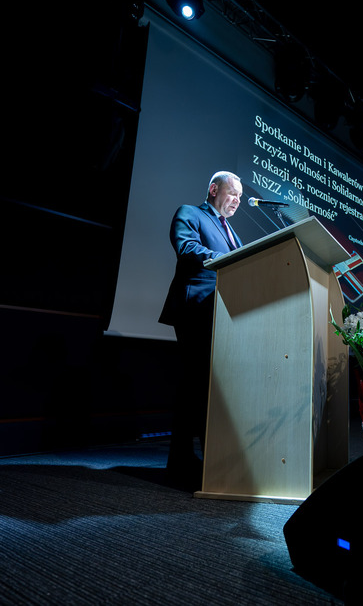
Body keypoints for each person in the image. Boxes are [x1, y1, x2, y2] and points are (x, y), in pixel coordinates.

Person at [158, 171, 243, 488]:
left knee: (213, 387)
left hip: (224, 312)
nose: (236, 201)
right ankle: (180, 461)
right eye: (232, 193)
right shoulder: (190, 213)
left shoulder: (232, 231)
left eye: (239, 198)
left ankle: (211, 459)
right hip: (196, 307)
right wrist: (228, 258)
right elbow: (187, 248)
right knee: (195, 384)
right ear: (213, 189)